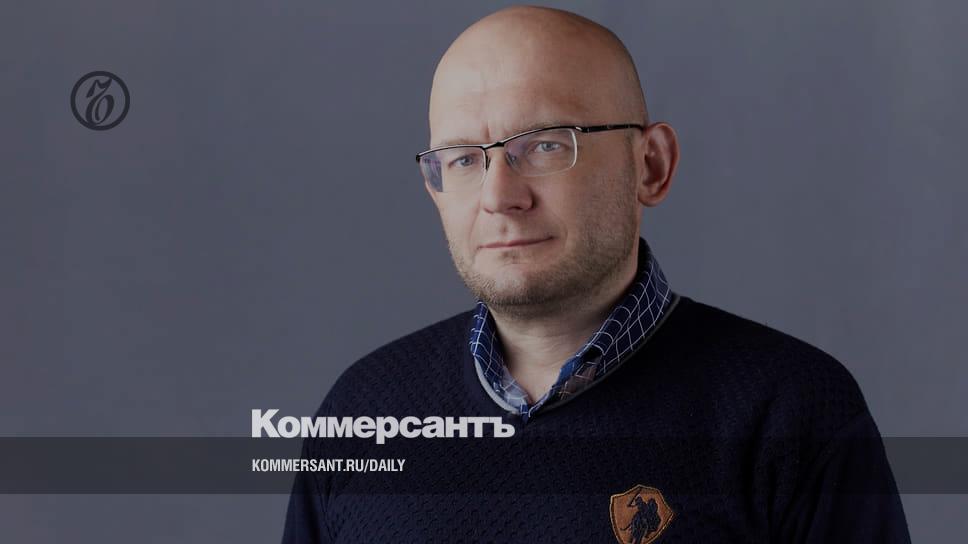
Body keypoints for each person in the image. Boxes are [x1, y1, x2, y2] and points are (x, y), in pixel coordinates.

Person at [283, 5, 910, 543]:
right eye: (464, 159)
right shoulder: (362, 412)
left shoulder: (792, 413)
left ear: (651, 166)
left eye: (546, 144)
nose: (499, 197)